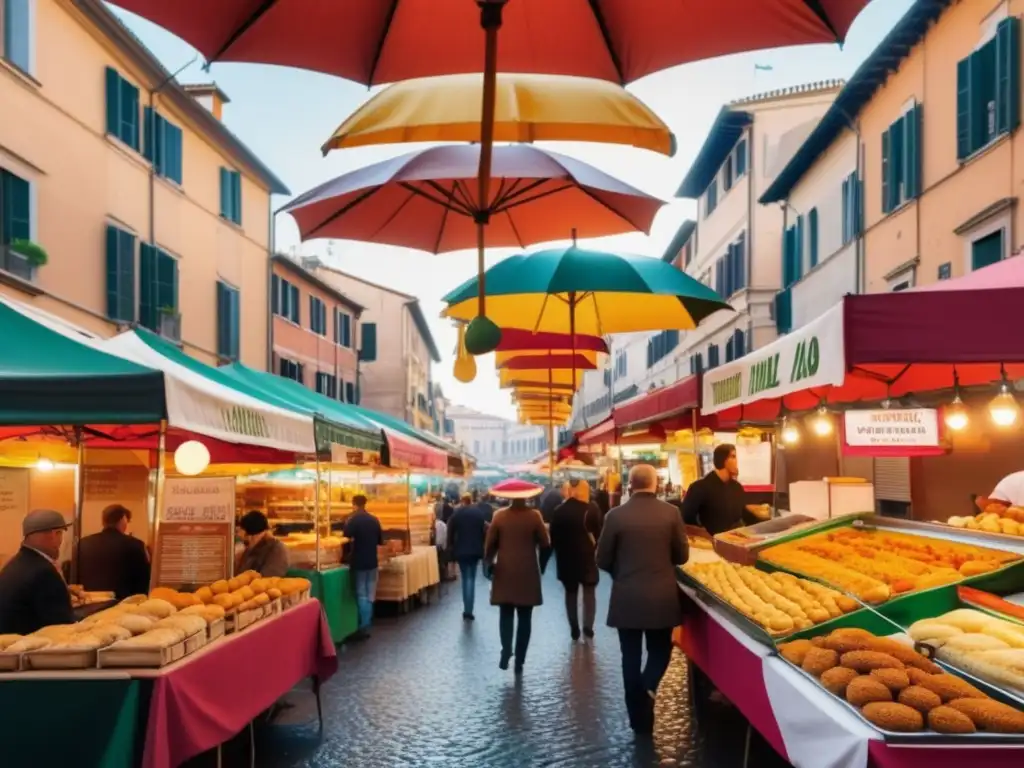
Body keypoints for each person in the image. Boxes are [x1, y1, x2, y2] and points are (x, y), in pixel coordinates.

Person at [597, 465, 688, 735]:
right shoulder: (671, 513)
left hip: (627, 597)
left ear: (629, 485)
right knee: (661, 649)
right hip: (661, 596)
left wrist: (621, 573)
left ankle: (637, 718)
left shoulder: (614, 516)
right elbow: (681, 556)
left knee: (630, 656)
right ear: (656, 484)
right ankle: (648, 688)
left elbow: (601, 559)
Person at [484, 485, 551, 673]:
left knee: (505, 614)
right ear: (528, 497)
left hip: (505, 570)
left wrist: (488, 565)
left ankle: (506, 649)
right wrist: (542, 567)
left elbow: (489, 546)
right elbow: (546, 545)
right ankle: (520, 659)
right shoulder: (534, 516)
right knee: (525, 617)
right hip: (528, 571)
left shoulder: (499, 516)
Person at [0, 510, 75, 635]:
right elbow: (62, 628)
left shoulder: (17, 563)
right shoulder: (44, 572)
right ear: (54, 534)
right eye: (60, 533)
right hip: (27, 650)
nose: (61, 541)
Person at [549, 480, 603, 641]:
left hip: (566, 559)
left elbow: (554, 538)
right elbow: (599, 533)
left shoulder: (559, 511)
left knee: (570, 594)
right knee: (589, 592)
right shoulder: (591, 509)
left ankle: (574, 628)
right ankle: (588, 626)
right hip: (587, 557)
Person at [680, 444, 769, 535]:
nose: (737, 462)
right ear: (722, 460)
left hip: (735, 542)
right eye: (733, 457)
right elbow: (686, 519)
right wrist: (704, 535)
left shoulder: (737, 487)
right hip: (711, 545)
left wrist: (767, 525)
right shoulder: (699, 487)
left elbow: (743, 514)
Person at [77, 504, 151, 600]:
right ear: (123, 519)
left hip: (89, 602)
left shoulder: (83, 543)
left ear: (103, 522)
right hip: (122, 604)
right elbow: (144, 580)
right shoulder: (135, 544)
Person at [343, 494, 383, 639]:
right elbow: (380, 541)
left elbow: (345, 537)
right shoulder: (374, 520)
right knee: (370, 593)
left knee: (361, 594)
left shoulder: (352, 520)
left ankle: (364, 625)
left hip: (359, 561)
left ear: (354, 504)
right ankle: (367, 622)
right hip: (373, 561)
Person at [448, 492, 489, 620]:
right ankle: (469, 609)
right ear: (471, 500)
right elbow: (484, 532)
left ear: (462, 500)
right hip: (476, 550)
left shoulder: (457, 514)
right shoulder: (478, 514)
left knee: (466, 578)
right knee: (471, 578)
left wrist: (451, 547)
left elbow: (450, 532)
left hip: (461, 550)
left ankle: (467, 609)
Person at [236, 510, 290, 577]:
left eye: (245, 538)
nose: (244, 542)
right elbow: (240, 574)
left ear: (253, 535)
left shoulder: (276, 550)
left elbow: (267, 580)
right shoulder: (251, 548)